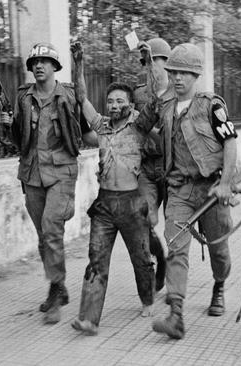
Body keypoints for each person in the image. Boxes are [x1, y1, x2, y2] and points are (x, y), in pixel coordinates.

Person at [134, 42, 238, 339]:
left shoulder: (211, 105)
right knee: (176, 249)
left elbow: (230, 141)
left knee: (219, 250)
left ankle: (219, 286)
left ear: (196, 76)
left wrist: (226, 183)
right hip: (178, 189)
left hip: (211, 190)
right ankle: (176, 314)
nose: (178, 78)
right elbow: (138, 127)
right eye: (173, 72)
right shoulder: (163, 105)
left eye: (184, 73)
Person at [69, 43, 157, 336]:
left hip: (133, 204)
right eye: (110, 101)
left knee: (141, 259)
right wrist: (78, 61)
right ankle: (89, 318)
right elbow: (81, 97)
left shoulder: (139, 127)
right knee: (96, 260)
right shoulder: (102, 126)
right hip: (105, 206)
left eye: (120, 101)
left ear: (131, 105)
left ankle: (147, 298)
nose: (114, 105)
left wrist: (148, 63)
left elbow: (156, 100)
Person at [0, 42, 82, 325]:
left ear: (55, 66)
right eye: (35, 61)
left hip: (61, 171)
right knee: (43, 236)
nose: (38, 65)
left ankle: (57, 293)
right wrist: (7, 124)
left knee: (50, 228)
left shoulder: (69, 95)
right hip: (32, 172)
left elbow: (85, 127)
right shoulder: (24, 97)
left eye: (45, 61)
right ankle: (57, 285)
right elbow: (17, 140)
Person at [133, 38, 173, 292]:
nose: (151, 66)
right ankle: (160, 259)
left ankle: (175, 287)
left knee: (176, 227)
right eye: (148, 61)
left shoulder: (178, 93)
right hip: (146, 167)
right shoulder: (137, 94)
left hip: (172, 167)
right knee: (144, 220)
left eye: (157, 61)